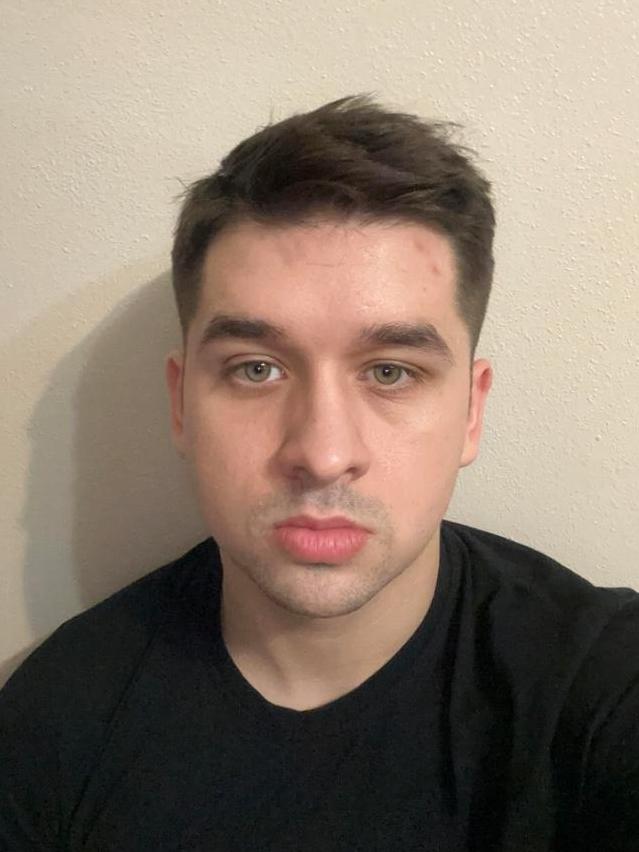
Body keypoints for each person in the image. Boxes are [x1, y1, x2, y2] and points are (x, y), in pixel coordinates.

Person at [1, 95, 637, 851]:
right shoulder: (55, 721)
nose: (323, 453)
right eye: (256, 368)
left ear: (471, 411)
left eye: (391, 372)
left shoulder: (602, 689)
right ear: (180, 404)